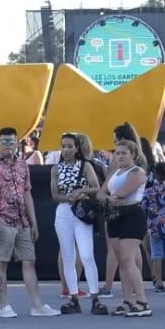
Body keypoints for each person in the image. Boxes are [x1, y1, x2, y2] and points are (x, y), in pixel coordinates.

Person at [0, 127, 59, 317]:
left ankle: (37, 305)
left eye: (11, 142)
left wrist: (34, 222)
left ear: (17, 143)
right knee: (2, 262)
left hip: (22, 220)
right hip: (2, 219)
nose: (8, 146)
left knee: (29, 261)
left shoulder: (22, 165)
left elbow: (27, 194)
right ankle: (4, 305)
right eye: (4, 141)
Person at [49, 132, 104, 315]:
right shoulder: (56, 169)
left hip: (80, 211)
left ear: (77, 148)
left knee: (87, 255)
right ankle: (73, 296)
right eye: (63, 146)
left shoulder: (85, 165)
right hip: (64, 211)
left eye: (70, 146)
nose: (66, 150)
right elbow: (54, 195)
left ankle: (95, 297)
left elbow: (97, 187)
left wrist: (81, 191)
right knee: (68, 256)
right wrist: (68, 197)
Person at [100, 138, 152, 317]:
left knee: (128, 259)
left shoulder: (137, 172)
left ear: (133, 155)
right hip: (114, 216)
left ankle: (142, 301)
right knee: (121, 260)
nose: (119, 156)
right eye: (117, 152)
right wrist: (108, 198)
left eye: (124, 153)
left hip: (131, 214)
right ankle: (128, 300)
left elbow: (121, 194)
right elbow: (101, 193)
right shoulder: (114, 173)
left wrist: (109, 198)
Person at [142, 161, 165, 294]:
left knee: (156, 254)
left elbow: (144, 207)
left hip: (154, 226)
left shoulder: (148, 192)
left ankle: (158, 283)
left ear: (155, 174)